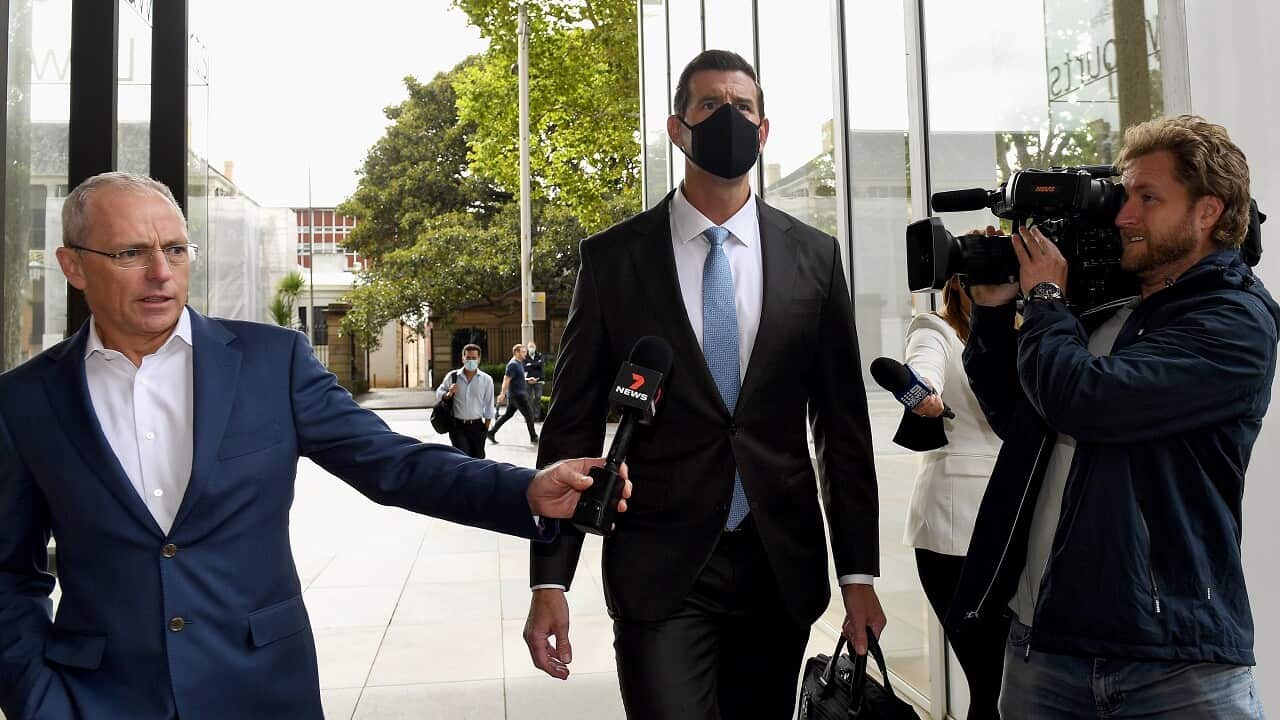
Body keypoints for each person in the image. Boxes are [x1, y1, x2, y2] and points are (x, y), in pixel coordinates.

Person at [0, 172, 630, 720]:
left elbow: (394, 464)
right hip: (99, 698)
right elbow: (7, 575)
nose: (162, 273)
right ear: (74, 265)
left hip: (262, 691)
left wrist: (525, 489)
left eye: (175, 249)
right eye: (130, 252)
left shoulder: (270, 363)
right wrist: (35, 698)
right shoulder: (25, 402)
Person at [523, 49, 884, 719]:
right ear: (676, 129)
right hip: (659, 565)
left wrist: (858, 574)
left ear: (765, 129)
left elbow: (842, 427)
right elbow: (570, 427)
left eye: (742, 107)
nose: (729, 117)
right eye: (710, 106)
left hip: (779, 565)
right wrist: (550, 577)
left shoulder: (814, 257)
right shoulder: (613, 261)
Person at [952, 115, 1274, 718]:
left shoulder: (1236, 323)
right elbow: (1023, 418)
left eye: (1148, 198)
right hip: (1043, 648)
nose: (1124, 215)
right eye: (1125, 196)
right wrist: (996, 312)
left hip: (1173, 660)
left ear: (1208, 211)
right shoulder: (1110, 309)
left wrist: (1046, 298)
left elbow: (1089, 402)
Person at [900, 274, 1007, 719]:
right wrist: (921, 393)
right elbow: (923, 369)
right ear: (958, 284)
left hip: (1016, 526)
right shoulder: (934, 328)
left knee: (1005, 681)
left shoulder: (1023, 331)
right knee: (989, 679)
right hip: (953, 531)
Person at [436, 343, 495, 459]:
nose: (471, 361)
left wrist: (485, 429)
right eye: (468, 358)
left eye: (474, 358)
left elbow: (489, 405)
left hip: (477, 426)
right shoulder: (453, 377)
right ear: (463, 359)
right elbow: (439, 393)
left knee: (478, 459)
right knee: (462, 459)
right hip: (458, 427)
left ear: (479, 359)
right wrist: (448, 394)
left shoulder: (486, 380)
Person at [489, 343, 539, 444]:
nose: (526, 353)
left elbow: (517, 378)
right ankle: (534, 437)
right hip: (517, 395)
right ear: (516, 352)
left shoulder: (519, 363)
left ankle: (491, 432)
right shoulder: (513, 364)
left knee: (508, 415)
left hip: (516, 395)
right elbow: (506, 379)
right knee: (529, 415)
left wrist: (528, 380)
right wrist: (502, 393)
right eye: (523, 352)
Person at [523, 340, 546, 421]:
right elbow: (524, 367)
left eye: (533, 347)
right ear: (527, 348)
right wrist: (535, 364)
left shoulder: (539, 355)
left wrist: (531, 364)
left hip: (538, 380)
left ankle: (536, 417)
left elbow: (541, 365)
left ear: (535, 347)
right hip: (528, 381)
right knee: (528, 399)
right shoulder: (525, 356)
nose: (531, 348)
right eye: (530, 347)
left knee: (538, 398)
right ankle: (529, 417)